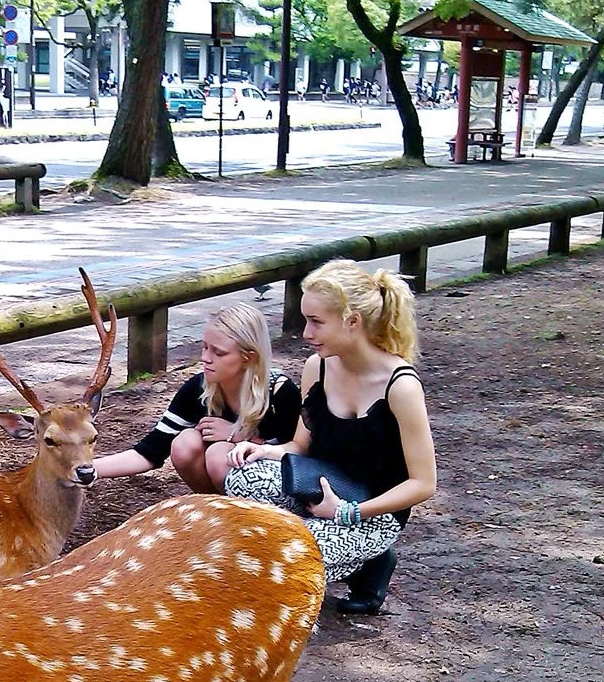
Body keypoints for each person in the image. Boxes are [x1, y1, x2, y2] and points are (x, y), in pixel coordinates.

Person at [225, 260, 437, 614]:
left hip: (372, 509)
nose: (306, 333)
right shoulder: (317, 367)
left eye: (316, 322)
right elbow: (300, 446)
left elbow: (424, 484)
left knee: (290, 557)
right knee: (242, 477)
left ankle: (370, 561)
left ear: (352, 321)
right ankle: (322, 543)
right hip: (318, 487)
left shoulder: (401, 386)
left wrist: (347, 512)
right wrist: (262, 451)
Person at [94, 302, 300, 494]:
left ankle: (243, 514)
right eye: (205, 347)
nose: (205, 358)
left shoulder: (281, 392)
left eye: (219, 353)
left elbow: (302, 452)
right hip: (229, 480)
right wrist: (87, 469)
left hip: (279, 487)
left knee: (219, 454)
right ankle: (214, 507)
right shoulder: (199, 387)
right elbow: (150, 451)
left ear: (249, 358)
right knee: (185, 443)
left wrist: (241, 436)